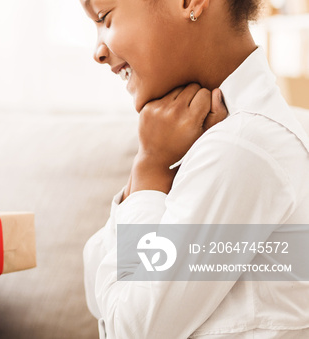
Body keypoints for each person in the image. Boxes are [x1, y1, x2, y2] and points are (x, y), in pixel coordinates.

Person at [80, 0, 309, 337]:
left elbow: (127, 328)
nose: (98, 52)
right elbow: (98, 292)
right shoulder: (211, 142)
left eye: (105, 18)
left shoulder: (240, 149)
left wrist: (150, 170)